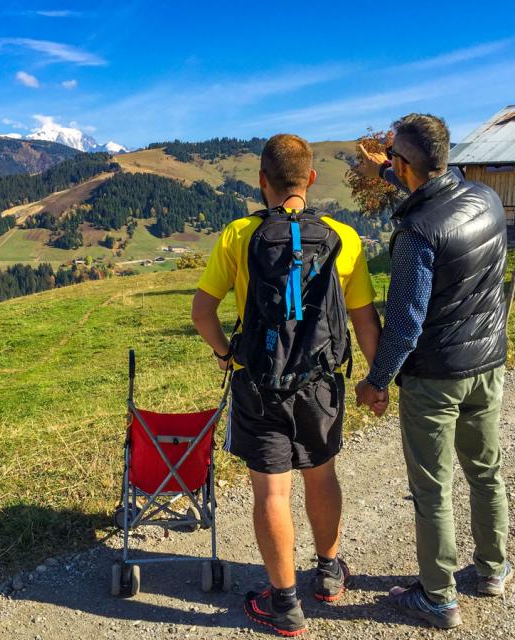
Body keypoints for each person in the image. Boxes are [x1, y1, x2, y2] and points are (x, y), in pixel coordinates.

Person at [192, 134, 384, 637]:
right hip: (320, 383)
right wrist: (377, 378)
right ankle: (327, 573)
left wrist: (224, 353)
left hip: (257, 381)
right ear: (311, 179)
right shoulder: (344, 237)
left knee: (271, 493)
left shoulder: (239, 234)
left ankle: (284, 605)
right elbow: (365, 321)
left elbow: (202, 312)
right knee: (321, 476)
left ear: (262, 181)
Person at [355, 113, 511, 629]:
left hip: (436, 377)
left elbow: (403, 325)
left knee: (433, 488)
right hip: (488, 363)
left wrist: (376, 382)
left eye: (394, 159)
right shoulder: (484, 197)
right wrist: (384, 171)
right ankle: (493, 570)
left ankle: (439, 597)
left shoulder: (416, 233)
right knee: (486, 471)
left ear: (407, 163)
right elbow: (429, 187)